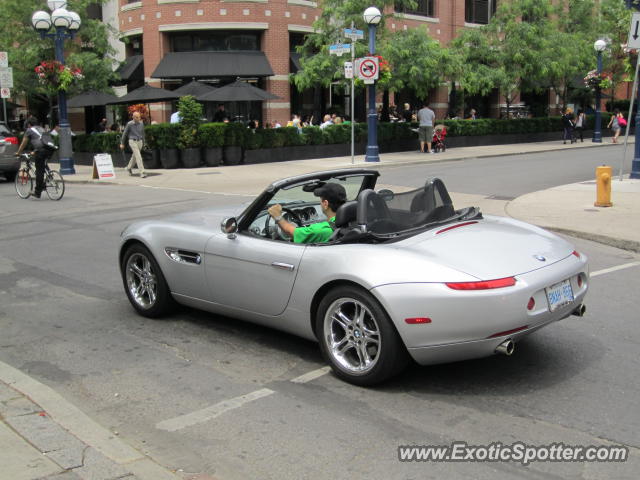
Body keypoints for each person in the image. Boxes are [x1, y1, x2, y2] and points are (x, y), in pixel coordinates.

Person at [267, 183, 347, 244]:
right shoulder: (353, 220)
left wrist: (277, 216)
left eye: (321, 200)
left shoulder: (322, 230)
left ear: (325, 204)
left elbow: (291, 232)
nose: (320, 203)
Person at [15, 116, 54, 198]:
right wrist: (34, 152)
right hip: (50, 149)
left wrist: (18, 153)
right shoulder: (41, 128)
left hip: (41, 151)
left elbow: (23, 144)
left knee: (39, 170)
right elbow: (41, 141)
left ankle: (37, 192)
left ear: (29, 124)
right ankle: (49, 176)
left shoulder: (29, 130)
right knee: (42, 164)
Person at [120, 111, 146, 178]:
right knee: (138, 156)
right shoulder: (129, 124)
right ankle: (142, 172)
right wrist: (122, 143)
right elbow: (124, 134)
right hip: (132, 141)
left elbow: (143, 133)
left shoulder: (141, 123)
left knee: (134, 156)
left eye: (139, 117)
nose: (138, 118)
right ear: (133, 117)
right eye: (137, 117)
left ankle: (129, 168)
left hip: (139, 141)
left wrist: (144, 142)